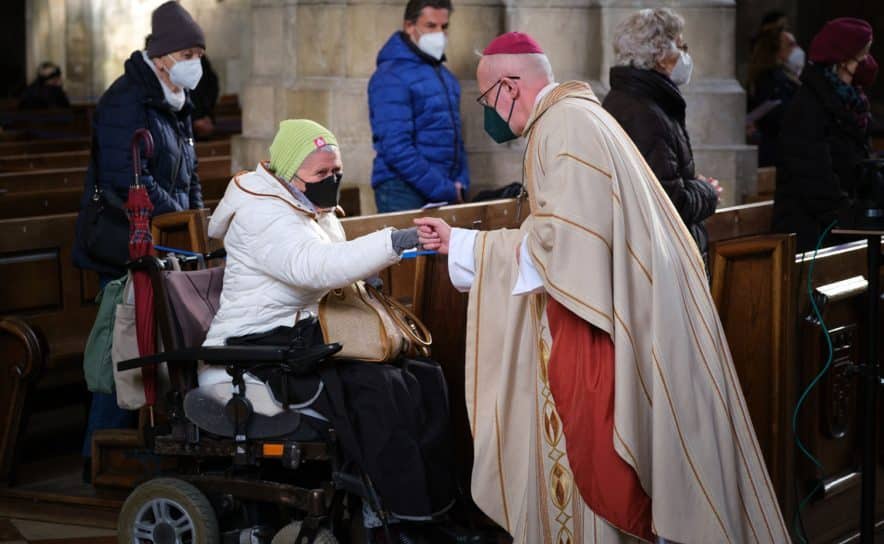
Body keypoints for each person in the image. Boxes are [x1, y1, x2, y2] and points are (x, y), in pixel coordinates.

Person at [416, 32, 789, 543]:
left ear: (508, 86)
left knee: (606, 464)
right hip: (632, 311)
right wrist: (464, 242)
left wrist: (468, 248)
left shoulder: (563, 128)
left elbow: (564, 249)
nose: (489, 113)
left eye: (486, 100)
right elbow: (568, 235)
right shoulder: (577, 119)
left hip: (604, 328)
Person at [202, 119, 453, 539]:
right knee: (378, 388)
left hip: (300, 338)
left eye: (336, 172)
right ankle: (399, 522)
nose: (331, 182)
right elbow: (314, 267)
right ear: (287, 173)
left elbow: (332, 267)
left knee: (423, 376)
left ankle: (432, 511)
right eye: (321, 174)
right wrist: (395, 242)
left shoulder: (307, 205)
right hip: (252, 349)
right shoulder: (259, 211)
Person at [73, 0, 207, 479]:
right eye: (190, 52)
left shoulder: (174, 101)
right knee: (122, 347)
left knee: (151, 347)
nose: (197, 62)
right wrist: (178, 217)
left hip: (161, 242)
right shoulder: (126, 99)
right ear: (166, 54)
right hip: (120, 242)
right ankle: (99, 455)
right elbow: (122, 177)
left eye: (199, 52)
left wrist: (198, 221)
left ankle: (149, 451)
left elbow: (188, 172)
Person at [602, 8, 721, 256]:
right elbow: (669, 204)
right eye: (680, 45)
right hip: (658, 256)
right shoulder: (645, 113)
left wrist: (693, 185)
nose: (685, 55)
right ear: (659, 55)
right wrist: (707, 192)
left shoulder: (638, 101)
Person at [772, 18, 876, 251]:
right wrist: (850, 217)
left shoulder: (850, 100)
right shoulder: (808, 106)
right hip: (812, 234)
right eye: (861, 56)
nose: (866, 63)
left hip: (840, 228)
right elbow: (814, 175)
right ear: (841, 60)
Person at [368, 0, 469, 212]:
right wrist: (446, 189)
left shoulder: (445, 77)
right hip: (402, 191)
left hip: (443, 190)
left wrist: (461, 182)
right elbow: (396, 146)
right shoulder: (391, 76)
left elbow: (456, 139)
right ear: (409, 26)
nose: (439, 34)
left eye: (444, 27)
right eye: (431, 26)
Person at [746, 27, 802, 166]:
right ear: (776, 49)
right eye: (789, 45)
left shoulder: (785, 76)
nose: (796, 49)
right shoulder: (770, 79)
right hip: (777, 147)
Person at [190, 55, 220, 139]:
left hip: (203, 118)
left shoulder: (200, 58)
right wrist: (194, 119)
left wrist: (207, 115)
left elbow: (212, 86)